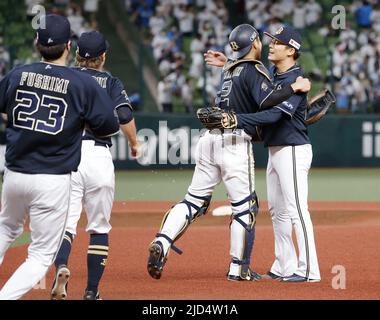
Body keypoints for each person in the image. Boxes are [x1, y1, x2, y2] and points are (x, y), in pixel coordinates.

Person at [147, 24, 311, 282]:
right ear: (255, 44)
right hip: (233, 142)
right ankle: (238, 268)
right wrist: (294, 89)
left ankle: (163, 239)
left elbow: (245, 82)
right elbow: (268, 102)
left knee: (193, 200)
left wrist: (226, 64)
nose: (268, 44)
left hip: (208, 140)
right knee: (245, 208)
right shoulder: (256, 70)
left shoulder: (231, 70)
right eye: (264, 40)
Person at [0, 14, 120, 300]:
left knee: (6, 228)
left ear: (36, 42)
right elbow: (109, 126)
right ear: (69, 46)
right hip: (52, 179)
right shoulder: (81, 83)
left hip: (14, 174)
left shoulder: (18, 73)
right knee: (41, 256)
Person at [205, 26, 321, 282]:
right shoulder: (271, 75)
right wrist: (228, 64)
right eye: (270, 40)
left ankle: (309, 269)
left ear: (291, 50)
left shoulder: (297, 81)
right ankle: (284, 264)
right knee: (277, 211)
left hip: (292, 149)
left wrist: (235, 118)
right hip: (275, 150)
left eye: (277, 42)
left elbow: (273, 115)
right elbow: (251, 79)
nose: (271, 45)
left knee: (297, 210)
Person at [49, 31, 139, 300]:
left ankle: (62, 266)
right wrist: (134, 143)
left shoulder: (64, 78)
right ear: (103, 57)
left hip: (69, 156)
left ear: (76, 55)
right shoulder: (110, 82)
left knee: (66, 224)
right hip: (99, 157)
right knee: (99, 227)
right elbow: (124, 114)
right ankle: (91, 292)